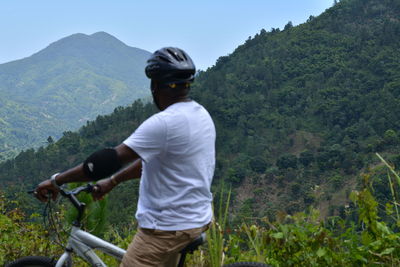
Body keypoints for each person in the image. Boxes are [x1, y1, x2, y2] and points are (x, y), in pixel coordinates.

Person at [34, 47, 216, 267]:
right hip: (195, 219)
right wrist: (113, 182)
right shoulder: (199, 114)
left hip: (165, 230)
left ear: (155, 85)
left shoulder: (164, 123)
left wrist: (56, 180)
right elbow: (150, 159)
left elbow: (103, 163)